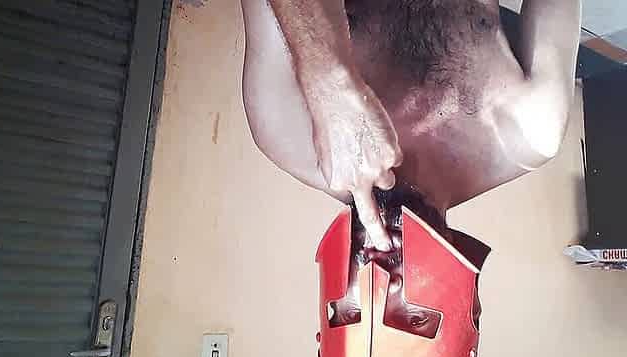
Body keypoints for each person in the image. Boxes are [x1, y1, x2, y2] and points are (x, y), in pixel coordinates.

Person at [239, 0, 581, 252]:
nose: (386, 271)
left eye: (355, 312)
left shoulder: (288, 132)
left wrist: (326, 78)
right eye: (416, 318)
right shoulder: (532, 132)